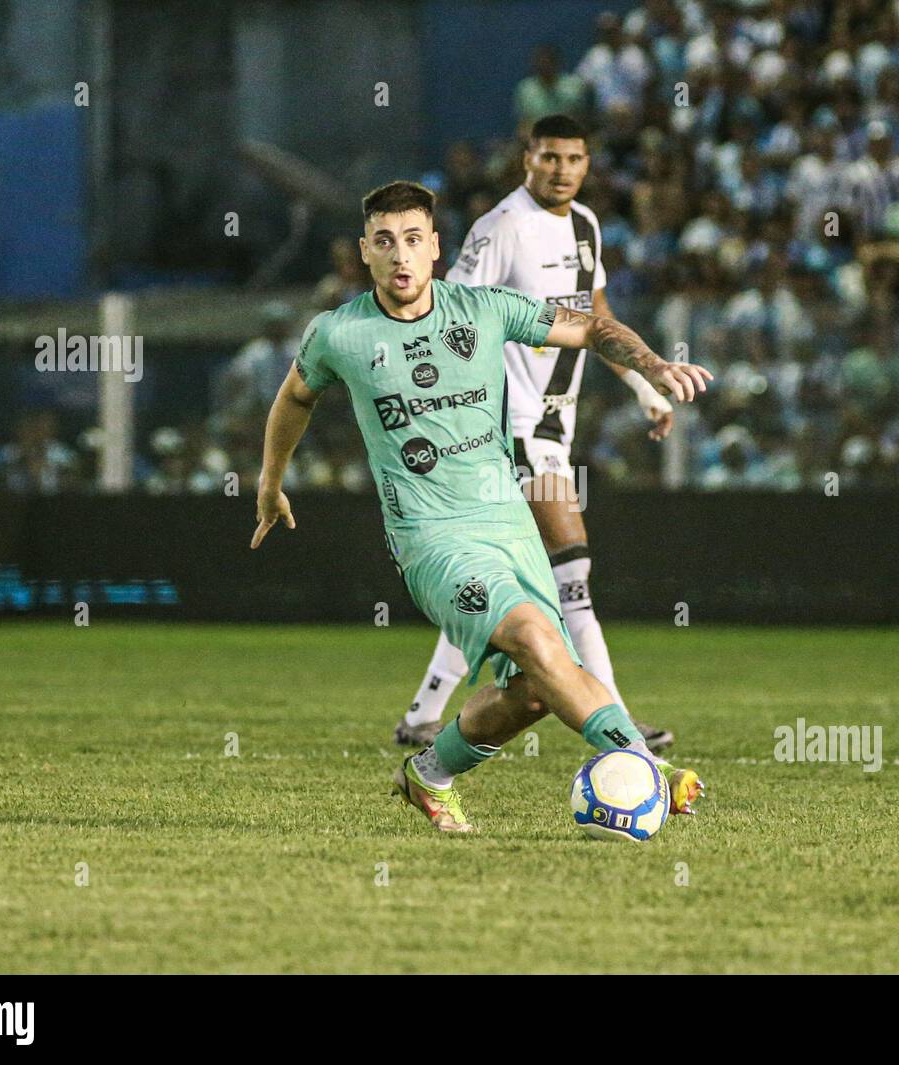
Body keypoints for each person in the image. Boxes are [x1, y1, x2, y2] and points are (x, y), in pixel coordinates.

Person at [251, 180, 711, 833]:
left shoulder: (485, 310)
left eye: (413, 239)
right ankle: (641, 767)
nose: (400, 255)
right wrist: (270, 482)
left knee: (532, 693)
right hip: (432, 539)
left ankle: (429, 775)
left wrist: (651, 365)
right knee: (536, 638)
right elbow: (295, 397)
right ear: (365, 253)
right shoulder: (340, 333)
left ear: (436, 247)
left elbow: (592, 327)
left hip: (509, 526)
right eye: (385, 242)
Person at [394, 114, 678, 753]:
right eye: (550, 158)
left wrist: (641, 386)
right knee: (571, 565)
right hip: (509, 423)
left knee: (514, 575)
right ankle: (619, 724)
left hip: (557, 422)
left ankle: (421, 715)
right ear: (528, 159)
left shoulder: (587, 226)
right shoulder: (501, 227)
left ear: (587, 164)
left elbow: (595, 319)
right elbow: (449, 315)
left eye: (574, 159)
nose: (562, 170)